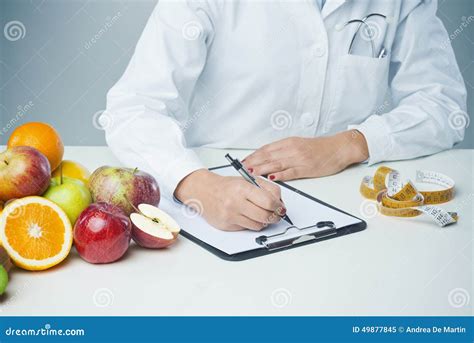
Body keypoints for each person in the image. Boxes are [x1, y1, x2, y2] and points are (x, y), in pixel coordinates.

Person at [104, 0, 467, 231]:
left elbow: (444, 105)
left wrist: (349, 145)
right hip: (219, 199)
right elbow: (133, 108)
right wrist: (196, 185)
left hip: (351, 206)